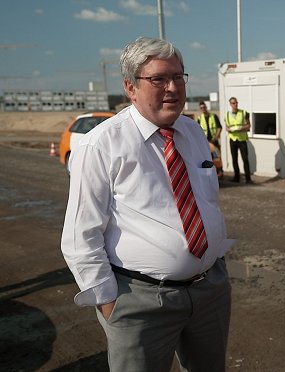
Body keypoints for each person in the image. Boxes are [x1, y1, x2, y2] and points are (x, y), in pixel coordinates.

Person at [61, 36, 232, 372]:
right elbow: (81, 236)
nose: (172, 88)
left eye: (178, 77)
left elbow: (205, 203)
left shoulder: (194, 133)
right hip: (140, 302)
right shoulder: (101, 145)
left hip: (209, 290)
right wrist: (111, 304)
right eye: (158, 79)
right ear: (130, 87)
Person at [224, 97, 252, 183]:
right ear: (230, 104)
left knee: (245, 159)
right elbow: (226, 127)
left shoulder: (244, 113)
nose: (235, 104)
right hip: (232, 140)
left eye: (236, 103)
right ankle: (236, 177)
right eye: (233, 103)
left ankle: (248, 179)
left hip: (242, 139)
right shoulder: (227, 115)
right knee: (234, 159)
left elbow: (248, 125)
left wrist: (241, 128)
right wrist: (229, 129)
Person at [197, 101, 223, 177]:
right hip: (205, 142)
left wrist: (215, 137)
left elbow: (219, 127)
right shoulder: (199, 118)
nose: (203, 109)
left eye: (204, 107)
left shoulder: (213, 116)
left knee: (217, 157)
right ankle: (210, 173)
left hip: (214, 141)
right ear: (200, 109)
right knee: (207, 158)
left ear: (206, 107)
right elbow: (198, 131)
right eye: (201, 108)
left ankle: (220, 172)